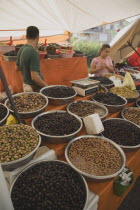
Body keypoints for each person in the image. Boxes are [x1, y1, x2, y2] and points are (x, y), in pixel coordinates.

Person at [16, 26, 48, 92]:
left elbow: (17, 68)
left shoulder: (21, 49)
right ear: (38, 37)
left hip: (26, 85)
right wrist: (47, 87)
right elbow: (35, 78)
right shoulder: (33, 52)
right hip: (33, 88)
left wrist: (26, 69)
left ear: (26, 36)